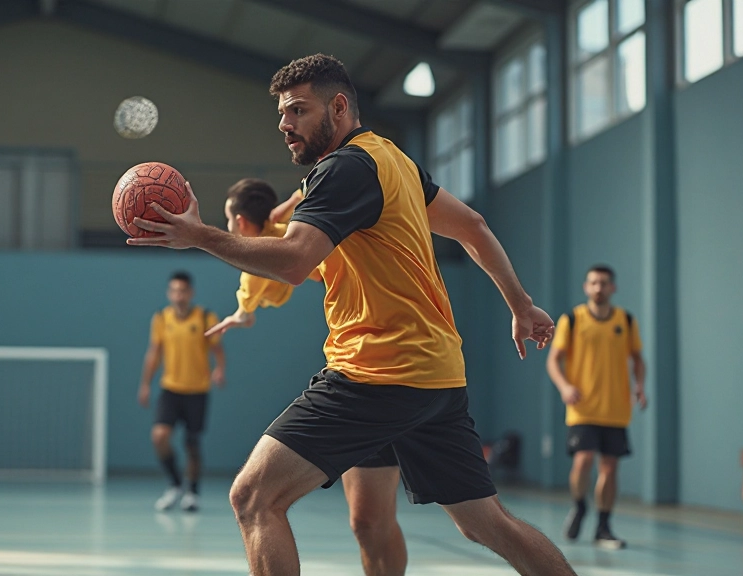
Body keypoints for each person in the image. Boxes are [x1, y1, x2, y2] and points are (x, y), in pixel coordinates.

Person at [128, 54, 575, 575]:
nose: (284, 124)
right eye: (281, 113)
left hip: (376, 372)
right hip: (436, 374)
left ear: (338, 108)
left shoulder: (343, 169)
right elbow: (472, 224)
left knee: (254, 497)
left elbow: (295, 261)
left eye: (298, 110)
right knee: (485, 524)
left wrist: (200, 235)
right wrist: (520, 305)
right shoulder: (391, 160)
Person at [208, 177, 408, 575]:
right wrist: (284, 210)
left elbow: (254, 295)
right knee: (367, 521)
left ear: (243, 223)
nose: (229, 228)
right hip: (363, 366)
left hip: (399, 361)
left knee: (253, 497)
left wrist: (240, 315)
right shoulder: (293, 228)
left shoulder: (298, 227)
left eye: (230, 221)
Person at [546, 264, 647, 549]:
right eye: (593, 282)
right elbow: (553, 360)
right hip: (583, 408)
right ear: (586, 287)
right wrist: (565, 386)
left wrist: (639, 385)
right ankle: (579, 505)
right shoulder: (572, 319)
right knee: (583, 459)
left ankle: (604, 526)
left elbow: (638, 359)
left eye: (604, 283)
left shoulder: (625, 320)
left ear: (612, 287)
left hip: (615, 409)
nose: (598, 288)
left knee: (610, 467)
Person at [138, 271, 226, 512]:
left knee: (192, 443)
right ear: (169, 293)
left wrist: (219, 369)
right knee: (159, 436)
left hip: (197, 390)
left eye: (183, 291)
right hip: (170, 388)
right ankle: (175, 484)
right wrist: (145, 384)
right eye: (174, 291)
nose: (179, 295)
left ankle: (193, 492)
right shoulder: (161, 319)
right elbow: (154, 352)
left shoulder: (206, 317)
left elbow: (217, 349)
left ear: (191, 293)